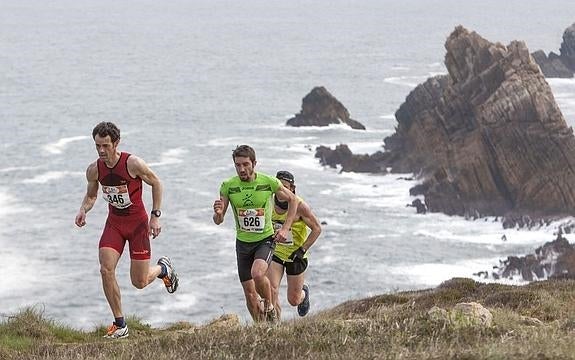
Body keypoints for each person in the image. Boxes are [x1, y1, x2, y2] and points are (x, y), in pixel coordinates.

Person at [74, 121, 179, 339]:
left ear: (116, 143)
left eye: (105, 145)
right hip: (114, 223)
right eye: (97, 146)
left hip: (137, 225)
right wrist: (83, 209)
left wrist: (155, 216)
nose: (101, 151)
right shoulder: (94, 169)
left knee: (139, 282)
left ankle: (162, 269)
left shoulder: (132, 163)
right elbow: (92, 195)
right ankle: (120, 323)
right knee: (105, 269)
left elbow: (156, 183)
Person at [212, 145, 298, 323]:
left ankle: (269, 306)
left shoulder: (269, 182)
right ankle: (262, 328)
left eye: (245, 164)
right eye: (238, 165)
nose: (242, 169)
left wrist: (285, 228)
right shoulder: (228, 186)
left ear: (254, 163)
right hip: (243, 244)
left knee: (258, 273)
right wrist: (218, 213)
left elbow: (293, 200)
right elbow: (218, 220)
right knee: (250, 296)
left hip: (264, 240)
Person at [267, 170, 321, 320]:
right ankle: (274, 326)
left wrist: (302, 249)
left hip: (296, 255)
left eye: (285, 187)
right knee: (272, 290)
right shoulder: (268, 201)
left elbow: (317, 229)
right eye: (279, 186)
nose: (281, 191)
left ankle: (304, 293)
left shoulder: (301, 207)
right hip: (276, 252)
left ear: (292, 188)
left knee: (293, 300)